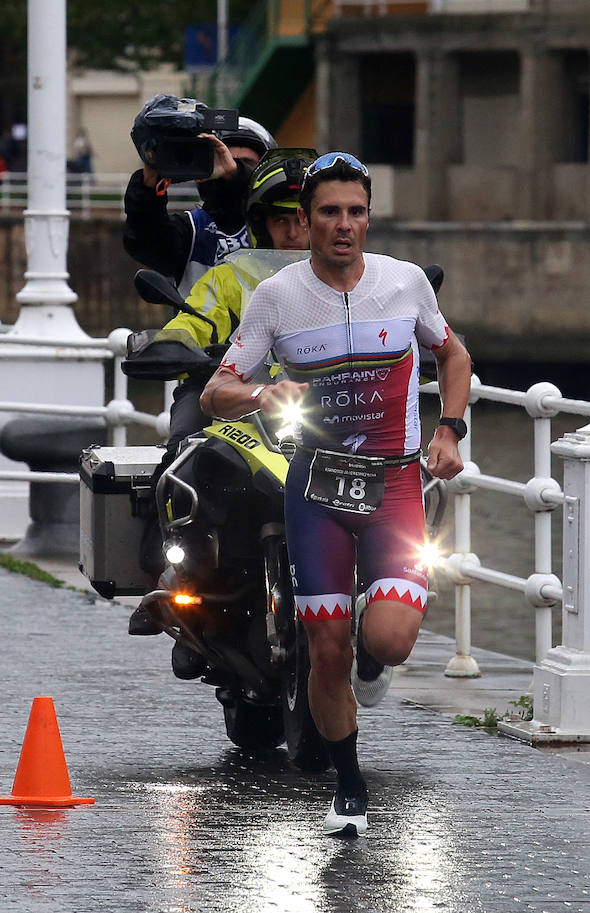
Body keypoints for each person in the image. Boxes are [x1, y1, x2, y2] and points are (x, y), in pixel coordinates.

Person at [199, 152, 472, 837]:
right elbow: (215, 391)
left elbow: (454, 355)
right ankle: (348, 784)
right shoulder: (278, 297)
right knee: (325, 653)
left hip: (395, 484)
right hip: (316, 488)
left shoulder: (405, 283)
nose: (343, 225)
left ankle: (366, 626)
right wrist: (265, 388)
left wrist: (450, 430)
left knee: (392, 639)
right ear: (308, 220)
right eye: (328, 212)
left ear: (368, 217)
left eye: (355, 211)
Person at [127, 148, 316, 641]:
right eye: (282, 221)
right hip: (231, 397)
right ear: (260, 224)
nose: (295, 234)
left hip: (323, 406)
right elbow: (194, 318)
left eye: (304, 219)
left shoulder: (356, 284)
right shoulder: (230, 277)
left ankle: (390, 577)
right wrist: (171, 341)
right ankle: (173, 575)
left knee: (396, 461)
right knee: (184, 444)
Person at [123, 96, 277, 296]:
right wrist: (149, 184)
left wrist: (236, 175)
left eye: (246, 163)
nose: (229, 165)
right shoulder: (190, 230)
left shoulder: (284, 225)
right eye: (222, 158)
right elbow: (146, 243)